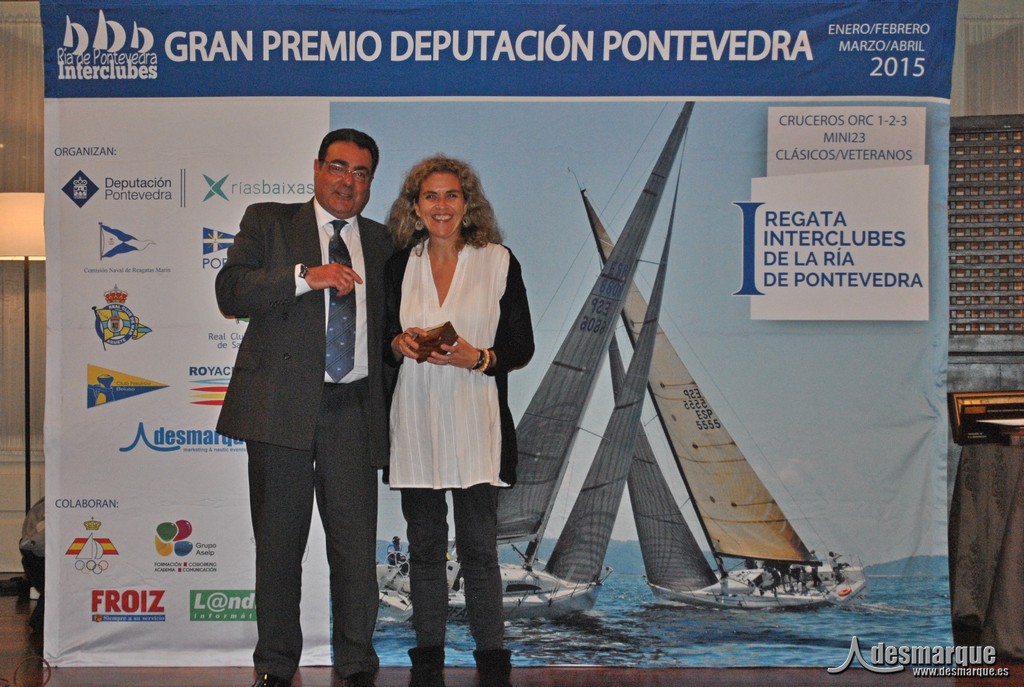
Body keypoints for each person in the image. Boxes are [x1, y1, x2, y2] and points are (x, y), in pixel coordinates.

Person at [215, 128, 394, 687]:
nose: (348, 181)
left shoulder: (384, 242)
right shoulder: (269, 222)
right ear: (317, 168)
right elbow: (230, 292)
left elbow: (391, 326)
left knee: (355, 550)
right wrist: (305, 276)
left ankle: (357, 664)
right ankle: (274, 665)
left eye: (361, 173)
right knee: (278, 547)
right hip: (279, 408)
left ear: (370, 183)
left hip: (354, 409)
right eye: (338, 167)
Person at [383, 155, 534, 687]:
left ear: (468, 204)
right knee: (425, 550)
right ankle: (427, 664)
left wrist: (480, 358)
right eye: (431, 196)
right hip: (416, 420)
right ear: (415, 206)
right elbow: (382, 341)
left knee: (478, 551)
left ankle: (492, 663)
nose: (441, 205)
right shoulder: (400, 265)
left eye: (452, 195)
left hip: (476, 422)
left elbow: (521, 346)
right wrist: (399, 343)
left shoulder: (498, 260)